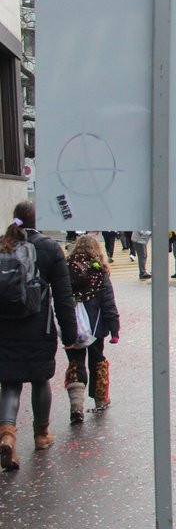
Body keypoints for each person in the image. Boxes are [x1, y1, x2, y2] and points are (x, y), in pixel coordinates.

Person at [0, 201, 78, 470]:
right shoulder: (49, 248)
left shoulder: (3, 244)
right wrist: (70, 335)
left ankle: (7, 432)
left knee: (9, 382)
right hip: (38, 328)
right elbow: (63, 297)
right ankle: (41, 434)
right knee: (39, 379)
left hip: (6, 327)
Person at [64, 235, 121, 419]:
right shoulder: (99, 271)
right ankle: (100, 399)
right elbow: (108, 302)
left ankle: (76, 404)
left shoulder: (66, 269)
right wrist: (114, 328)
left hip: (72, 325)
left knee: (75, 362)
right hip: (95, 326)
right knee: (97, 360)